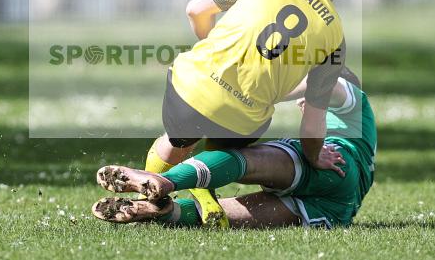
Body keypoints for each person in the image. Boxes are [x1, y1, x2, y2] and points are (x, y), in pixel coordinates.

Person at [144, 0, 370, 227]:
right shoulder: (336, 40)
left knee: (177, 139)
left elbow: (195, 9)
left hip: (192, 86)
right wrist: (315, 157)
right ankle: (203, 183)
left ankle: (148, 197)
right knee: (224, 141)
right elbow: (313, 123)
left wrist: (213, 48)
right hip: (242, 120)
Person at [94, 68, 376, 230]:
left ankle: (165, 180)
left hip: (334, 162)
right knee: (216, 215)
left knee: (244, 160)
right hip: (335, 209)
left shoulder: (352, 93)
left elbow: (325, 83)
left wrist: (258, 94)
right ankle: (159, 211)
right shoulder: (364, 134)